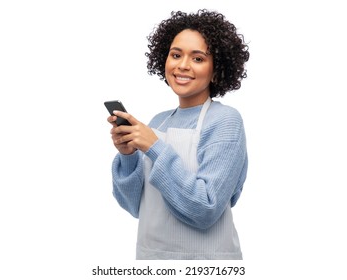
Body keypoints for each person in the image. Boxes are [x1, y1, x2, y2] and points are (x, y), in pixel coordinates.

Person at [107, 9, 249, 260]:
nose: (183, 65)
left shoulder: (226, 121)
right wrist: (128, 155)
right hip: (151, 262)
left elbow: (206, 208)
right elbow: (136, 207)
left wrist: (154, 146)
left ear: (216, 69)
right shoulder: (158, 122)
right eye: (176, 55)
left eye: (197, 58)